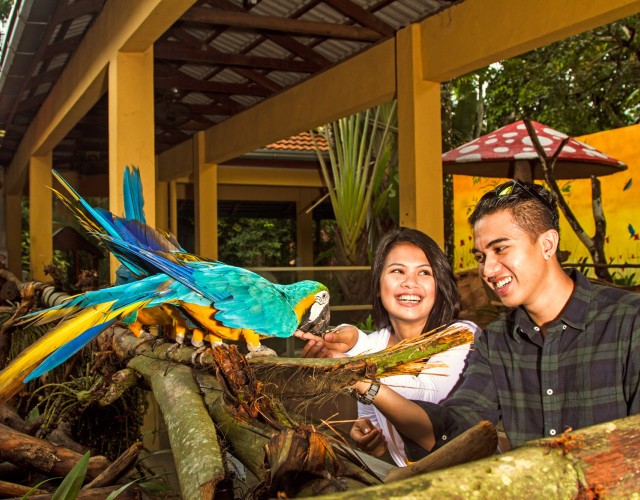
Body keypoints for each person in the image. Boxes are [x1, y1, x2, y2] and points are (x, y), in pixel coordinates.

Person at [337, 180, 640, 461]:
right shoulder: (497, 341)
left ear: (547, 244)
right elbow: (456, 429)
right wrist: (365, 383)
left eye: (500, 248)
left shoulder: (629, 322)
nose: (488, 269)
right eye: (481, 256)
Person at [295, 228, 479, 466]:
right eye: (397, 271)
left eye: (424, 272)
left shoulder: (462, 335)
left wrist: (354, 361)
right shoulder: (376, 344)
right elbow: (371, 415)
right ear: (379, 285)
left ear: (439, 284)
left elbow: (426, 395)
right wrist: (368, 435)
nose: (410, 283)